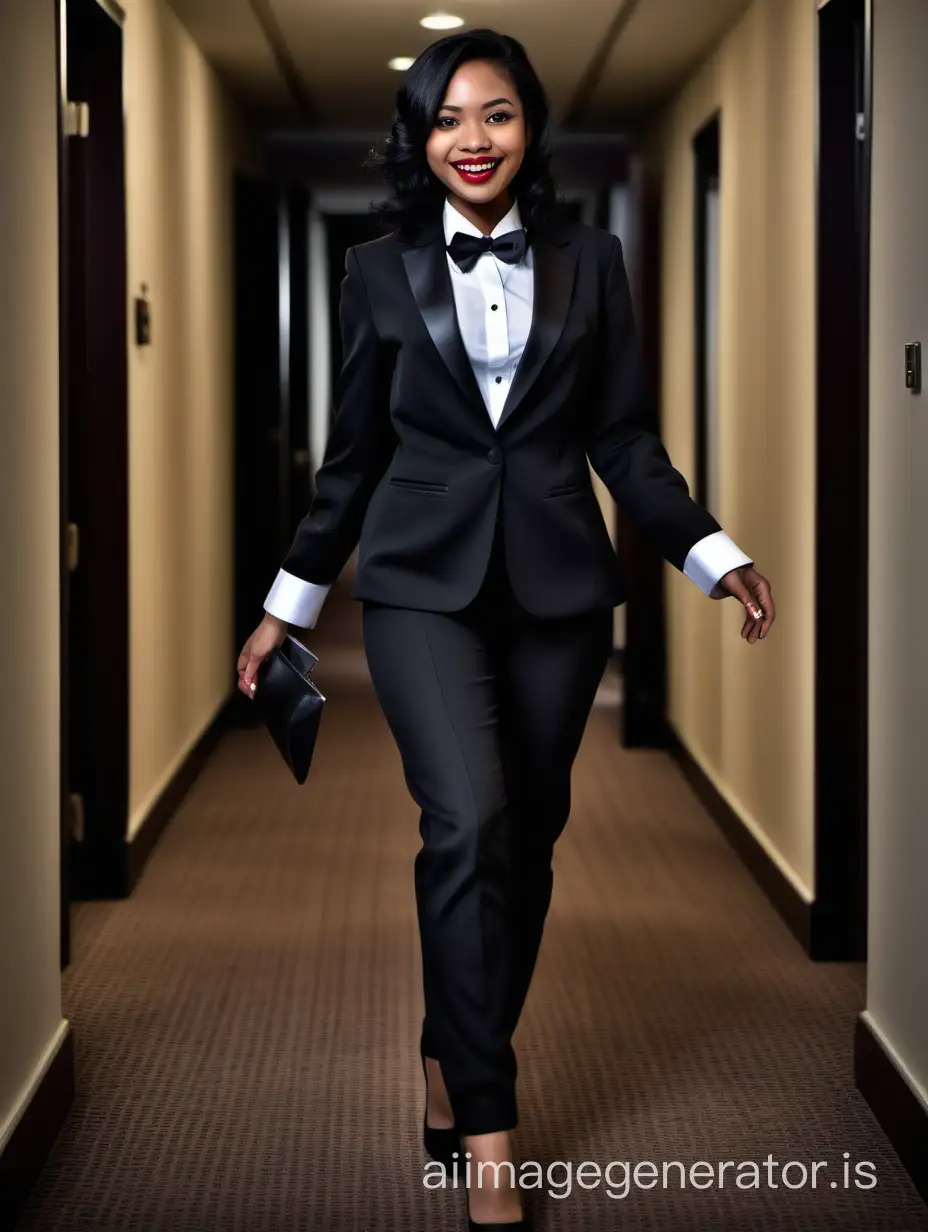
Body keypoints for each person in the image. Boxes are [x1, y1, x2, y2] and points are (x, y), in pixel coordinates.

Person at [236, 28, 775, 1230]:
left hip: (557, 593)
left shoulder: (596, 261)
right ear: (417, 140)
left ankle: (449, 1041)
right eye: (445, 119)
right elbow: (354, 458)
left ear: (530, 129)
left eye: (495, 116)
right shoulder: (376, 271)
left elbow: (624, 439)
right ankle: (489, 1118)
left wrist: (710, 550)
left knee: (524, 842)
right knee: (466, 820)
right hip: (423, 586)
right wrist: (287, 609)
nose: (470, 140)